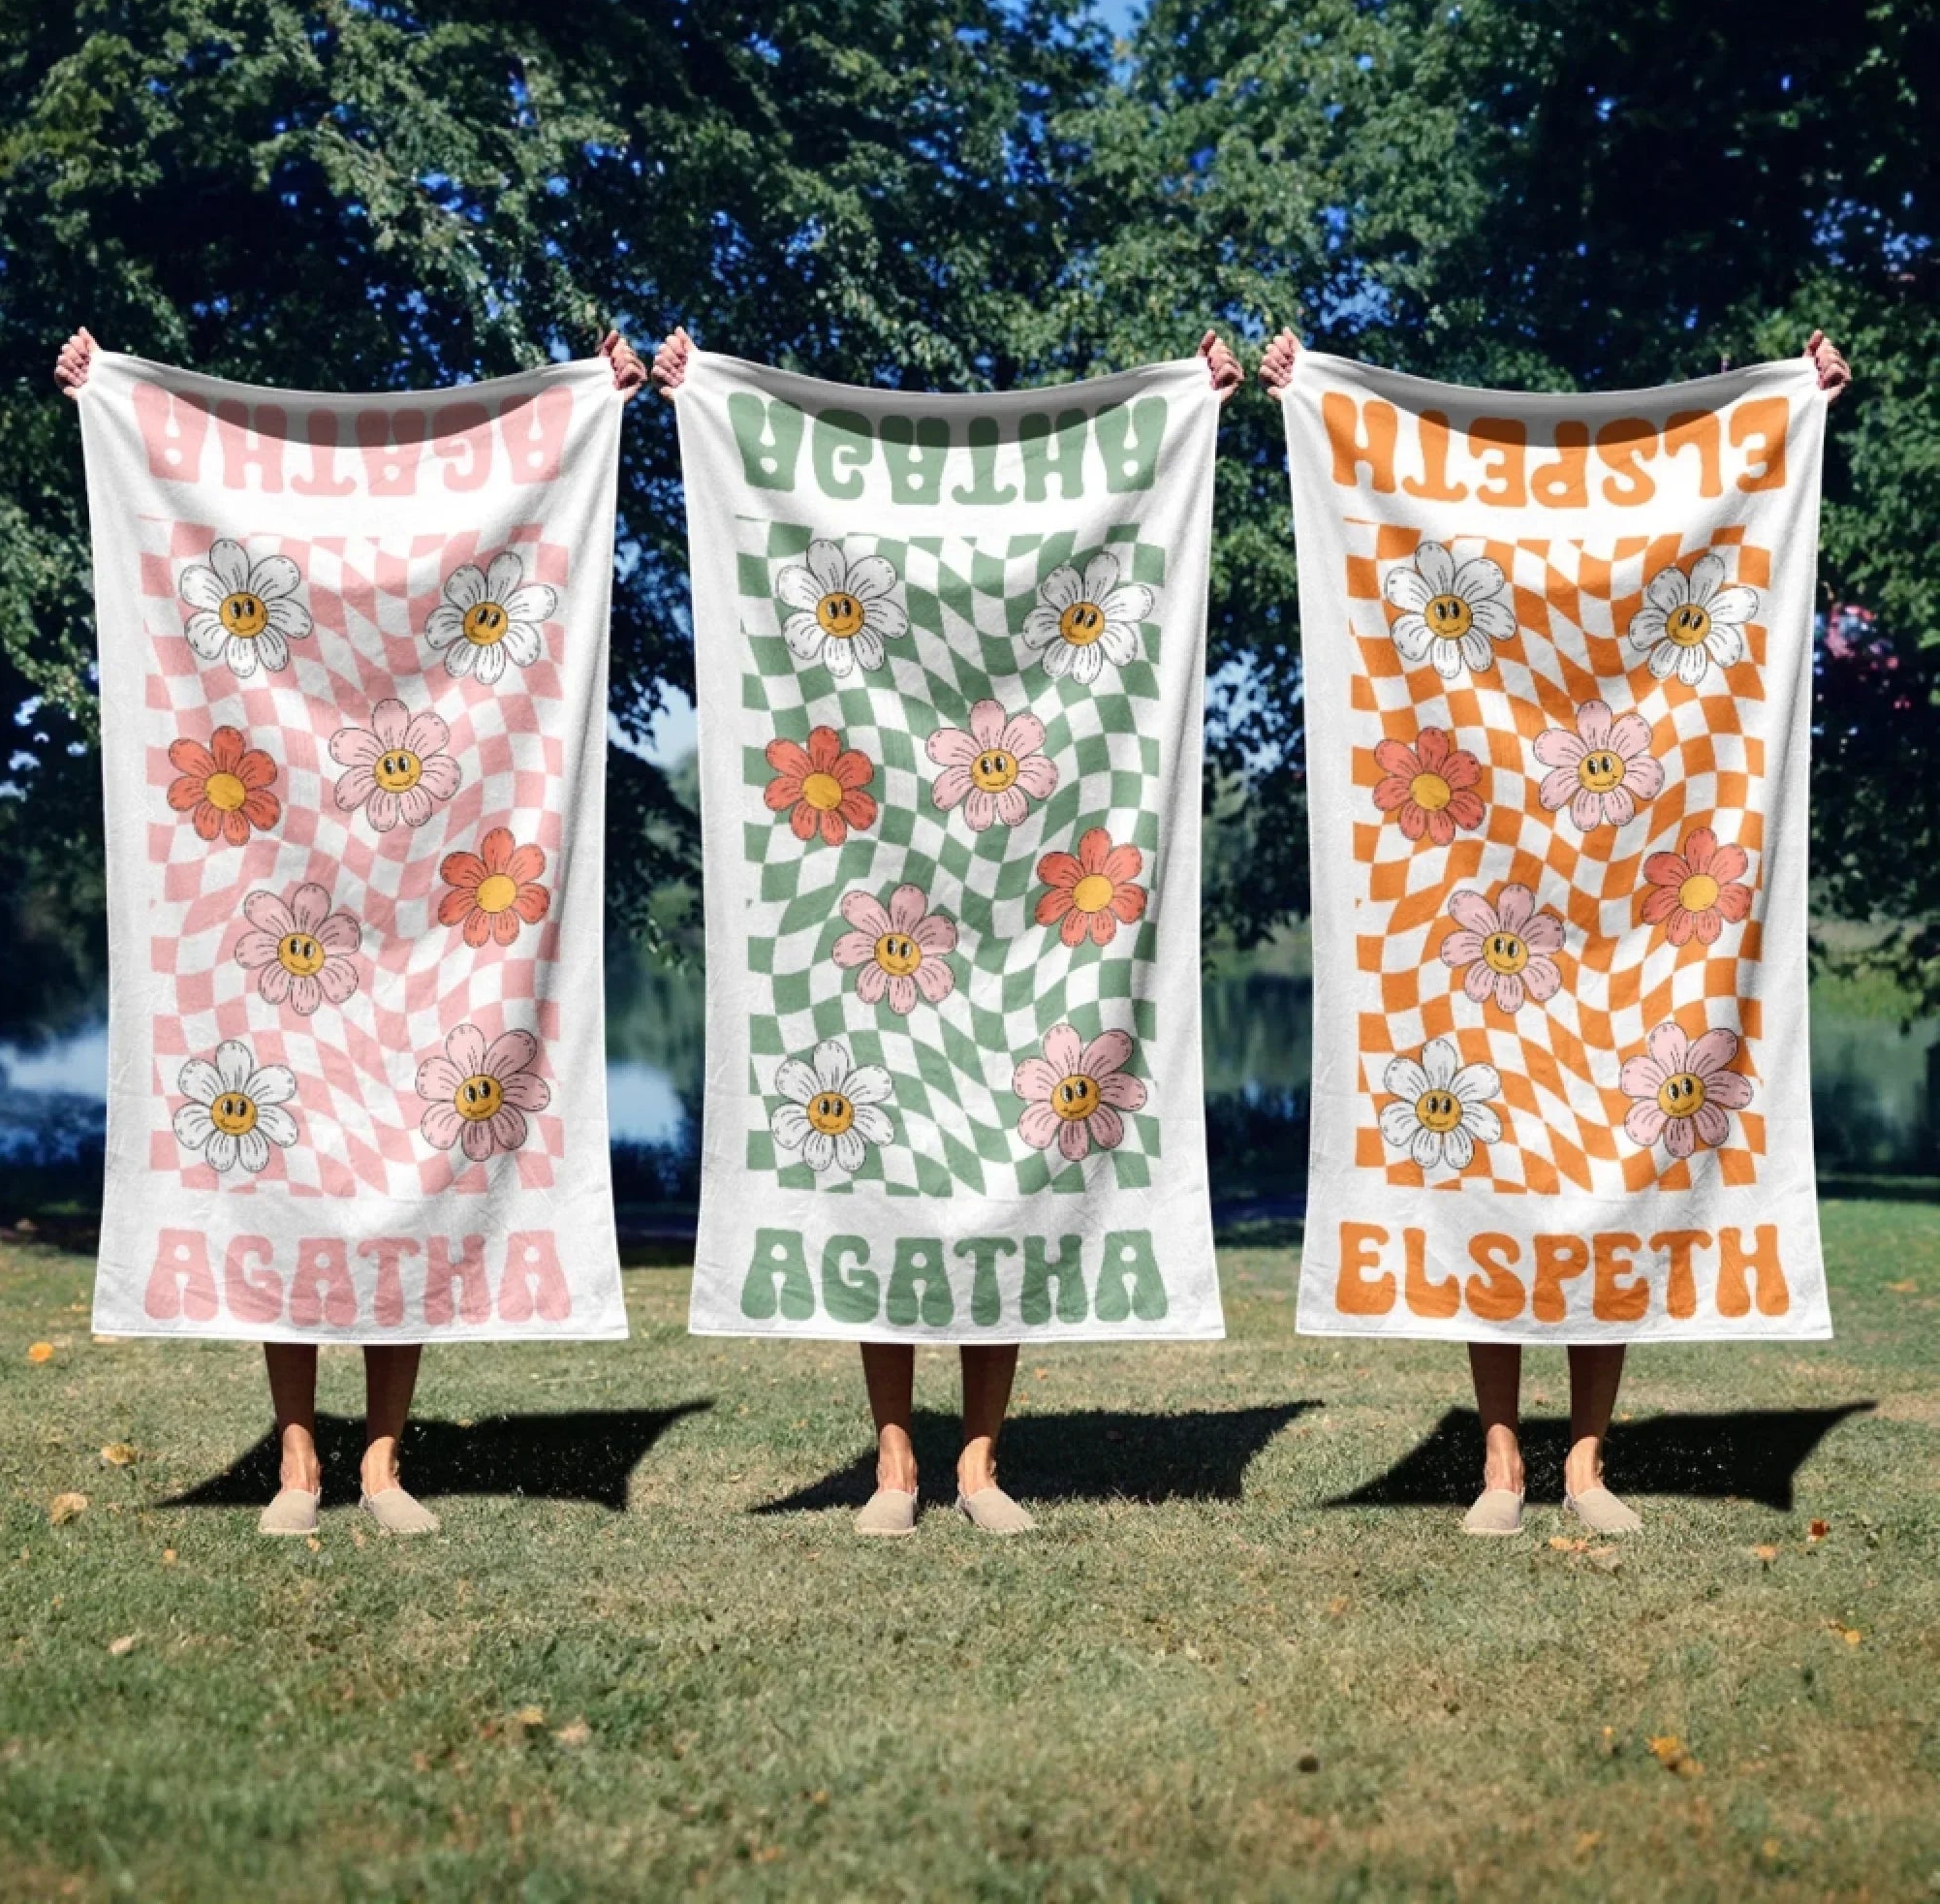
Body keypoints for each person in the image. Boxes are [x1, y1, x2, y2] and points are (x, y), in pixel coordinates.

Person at [55, 326, 649, 1536]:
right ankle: (296, 1459)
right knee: (284, 1176)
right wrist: (107, 390)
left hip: (432, 910)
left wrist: (603, 395)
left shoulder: (468, 557)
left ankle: (380, 1459)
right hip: (278, 902)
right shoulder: (257, 557)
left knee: (413, 1172)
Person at [1262, 323, 1852, 1537]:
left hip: (1634, 905)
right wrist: (1306, 392)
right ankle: (1499, 1461)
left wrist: (1801, 397)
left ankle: (1585, 1461)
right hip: (1484, 899)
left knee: (1614, 1168)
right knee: (1487, 1172)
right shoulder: (1450, 531)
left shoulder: (1654, 538)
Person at [655, 326, 1246, 1536]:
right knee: (876, 1174)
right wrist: (695, 391)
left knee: (1011, 1173)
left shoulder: (1050, 539)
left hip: (1027, 910)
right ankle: (894, 1462)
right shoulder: (856, 550)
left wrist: (1197, 396)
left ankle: (979, 1460)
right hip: (879, 903)